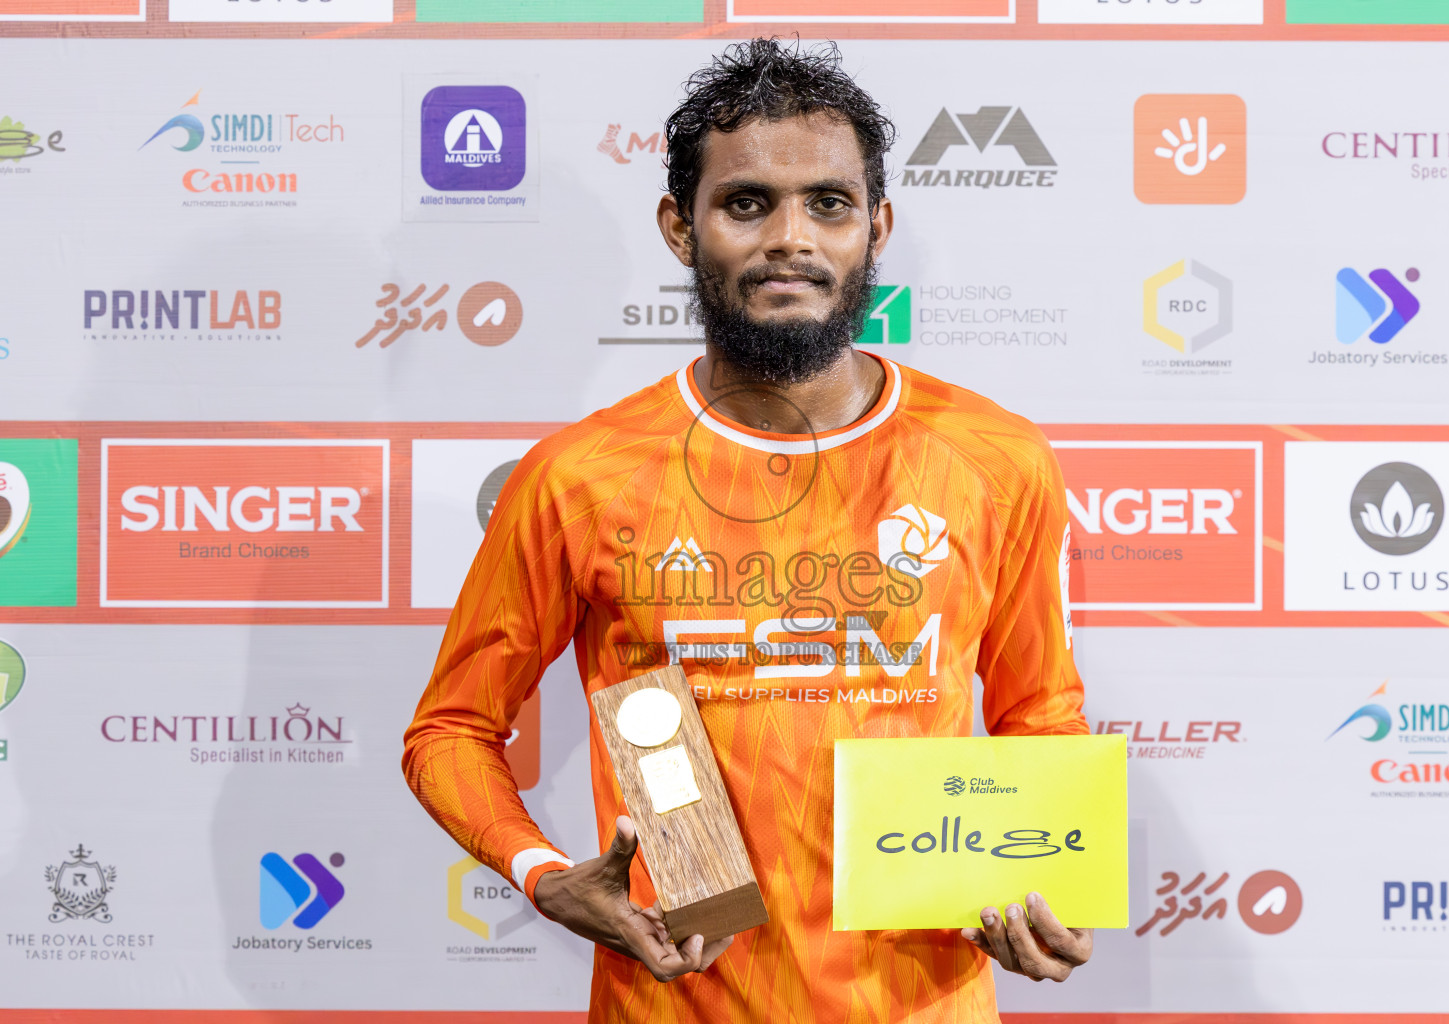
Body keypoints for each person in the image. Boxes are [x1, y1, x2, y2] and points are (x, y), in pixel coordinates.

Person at [403, 38, 1093, 1023]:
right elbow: (452, 730)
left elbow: (1039, 715)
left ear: (877, 226)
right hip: (678, 1003)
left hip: (923, 1001)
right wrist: (544, 872)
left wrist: (1044, 880)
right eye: (744, 204)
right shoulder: (580, 476)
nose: (790, 238)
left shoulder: (997, 457)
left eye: (829, 203)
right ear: (680, 230)